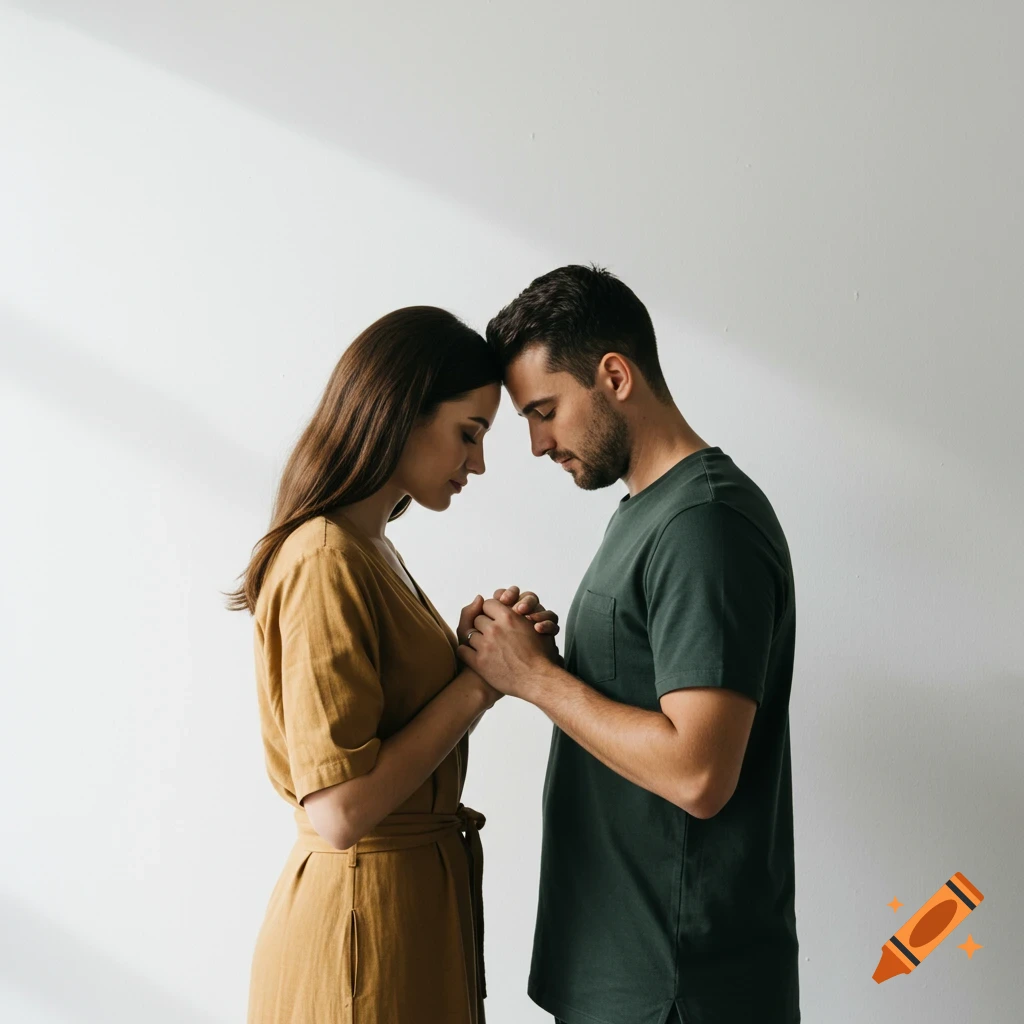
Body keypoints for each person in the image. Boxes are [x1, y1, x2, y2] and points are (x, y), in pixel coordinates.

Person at [458, 266, 800, 1024]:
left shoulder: (704, 525)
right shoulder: (648, 513)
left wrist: (536, 681)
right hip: (627, 975)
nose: (538, 443)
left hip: (679, 989)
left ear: (614, 375)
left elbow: (698, 771)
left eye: (544, 411)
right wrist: (544, 657)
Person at [228, 306, 560, 1024]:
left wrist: (475, 649)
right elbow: (340, 810)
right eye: (468, 434)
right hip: (358, 928)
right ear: (403, 412)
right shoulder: (323, 556)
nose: (477, 463)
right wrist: (478, 684)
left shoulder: (369, 550)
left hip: (399, 915)